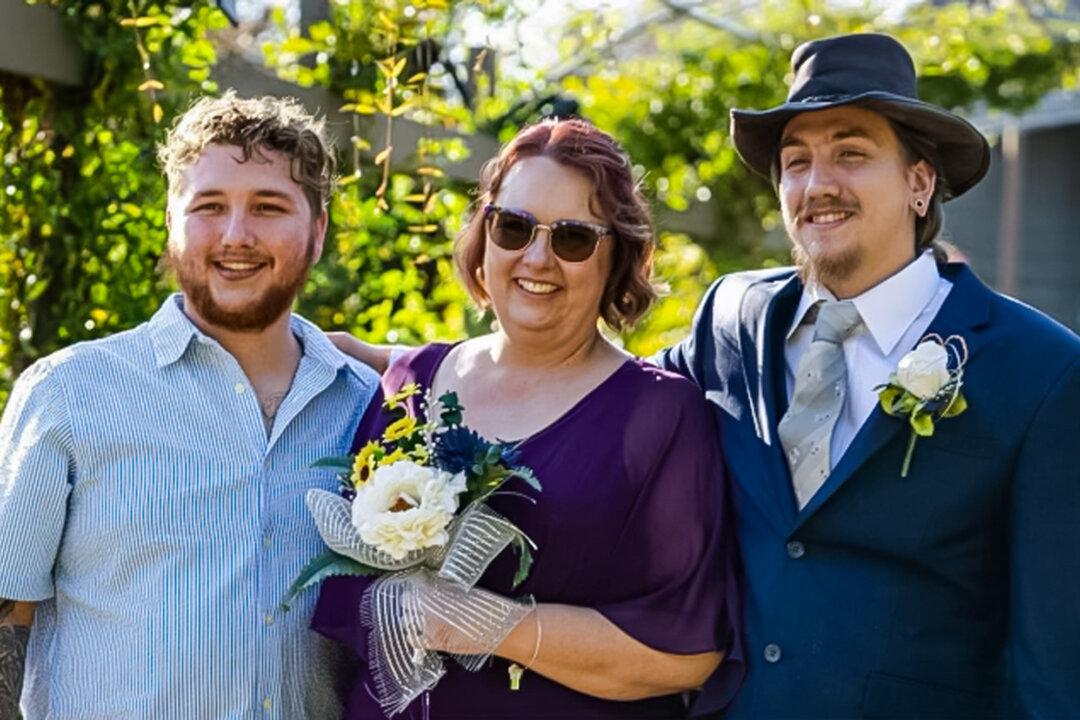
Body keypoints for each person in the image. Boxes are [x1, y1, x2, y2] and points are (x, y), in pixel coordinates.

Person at [657, 33, 1080, 717]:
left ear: (920, 182)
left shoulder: (1043, 372)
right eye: (796, 163)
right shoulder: (731, 320)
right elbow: (611, 406)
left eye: (851, 154)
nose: (817, 185)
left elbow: (1053, 661)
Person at [314, 117, 744, 719]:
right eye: (513, 227)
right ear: (483, 237)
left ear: (617, 254)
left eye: (572, 238)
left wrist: (491, 624)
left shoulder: (659, 415)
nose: (536, 258)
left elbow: (685, 650)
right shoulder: (405, 386)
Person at [0, 93, 379, 719]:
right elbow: (7, 617)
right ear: (171, 223)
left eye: (268, 206)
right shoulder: (68, 394)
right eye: (209, 206)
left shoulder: (370, 406)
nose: (236, 235)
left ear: (318, 231)